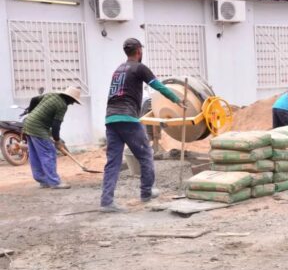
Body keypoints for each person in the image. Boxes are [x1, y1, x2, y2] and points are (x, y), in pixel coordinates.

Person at [99, 38, 183, 213]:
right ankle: (146, 192)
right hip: (128, 118)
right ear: (138, 51)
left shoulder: (118, 70)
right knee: (145, 154)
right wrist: (177, 99)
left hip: (110, 119)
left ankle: (106, 201)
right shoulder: (139, 68)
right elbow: (158, 86)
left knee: (113, 161)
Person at [21, 87, 81, 189]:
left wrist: (31, 111)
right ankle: (54, 182)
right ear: (69, 98)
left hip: (28, 123)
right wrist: (57, 141)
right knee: (48, 152)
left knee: (35, 154)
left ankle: (43, 181)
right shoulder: (62, 105)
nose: (72, 103)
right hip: (38, 128)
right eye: (73, 101)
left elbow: (34, 99)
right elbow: (56, 126)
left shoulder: (51, 95)